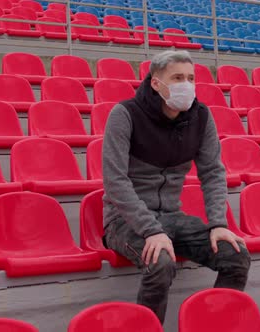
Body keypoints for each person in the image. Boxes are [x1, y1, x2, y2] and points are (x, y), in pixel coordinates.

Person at [101, 50, 251, 323]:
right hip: (125, 222)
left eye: (191, 78)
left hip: (172, 217)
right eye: (178, 77)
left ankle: (214, 326)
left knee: (235, 256)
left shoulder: (201, 116)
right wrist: (151, 230)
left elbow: (213, 172)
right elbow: (115, 182)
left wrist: (218, 223)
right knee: (160, 263)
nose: (187, 84)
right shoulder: (125, 114)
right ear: (156, 83)